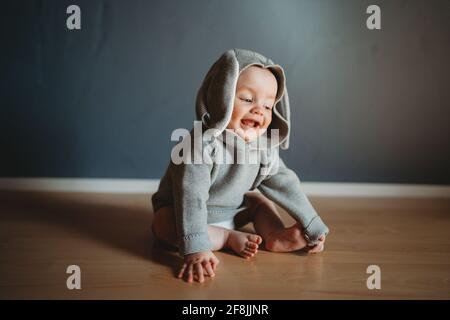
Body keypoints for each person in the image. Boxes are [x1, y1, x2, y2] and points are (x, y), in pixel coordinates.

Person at [151, 49, 329, 283]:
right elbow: (190, 197)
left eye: (267, 105)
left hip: (232, 211)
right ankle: (223, 238)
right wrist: (196, 249)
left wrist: (312, 223)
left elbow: (285, 183)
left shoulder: (262, 147)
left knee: (258, 201)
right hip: (186, 216)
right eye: (247, 99)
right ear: (219, 97)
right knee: (162, 224)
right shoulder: (200, 146)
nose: (258, 110)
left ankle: (274, 235)